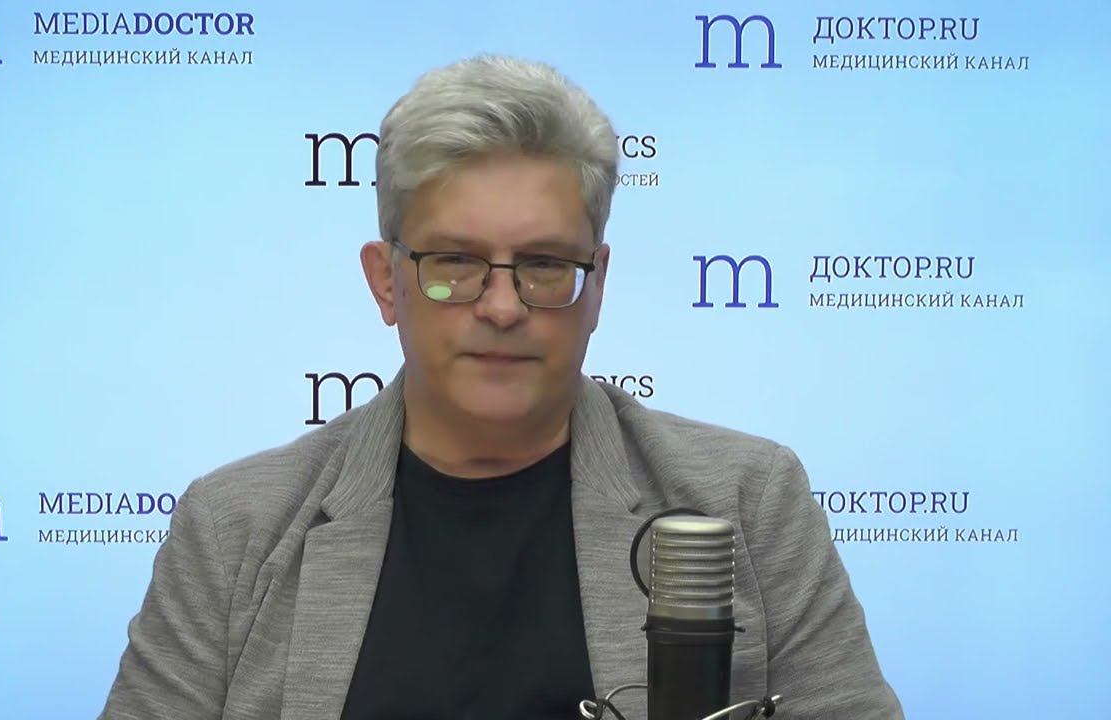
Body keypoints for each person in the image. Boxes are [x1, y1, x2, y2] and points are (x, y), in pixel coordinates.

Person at [100, 53, 904, 720]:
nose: (502, 306)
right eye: (455, 262)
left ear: (597, 284)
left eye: (545, 264)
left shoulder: (744, 501)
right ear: (386, 282)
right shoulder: (237, 528)